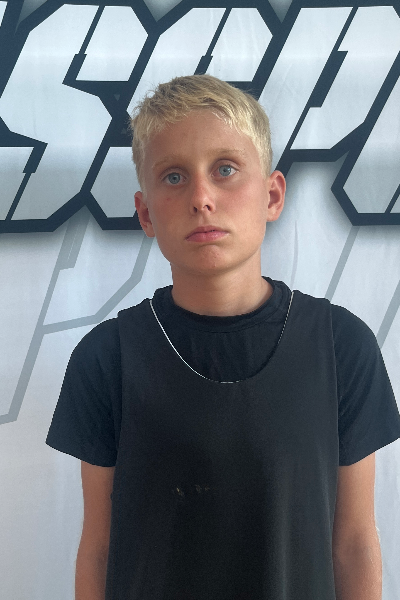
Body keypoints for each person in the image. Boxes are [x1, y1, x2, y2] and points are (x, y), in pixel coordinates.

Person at [46, 74, 400, 600]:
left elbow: (352, 543)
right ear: (145, 212)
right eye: (173, 177)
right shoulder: (106, 358)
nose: (201, 198)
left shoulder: (340, 345)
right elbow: (99, 546)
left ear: (272, 195)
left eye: (226, 169)